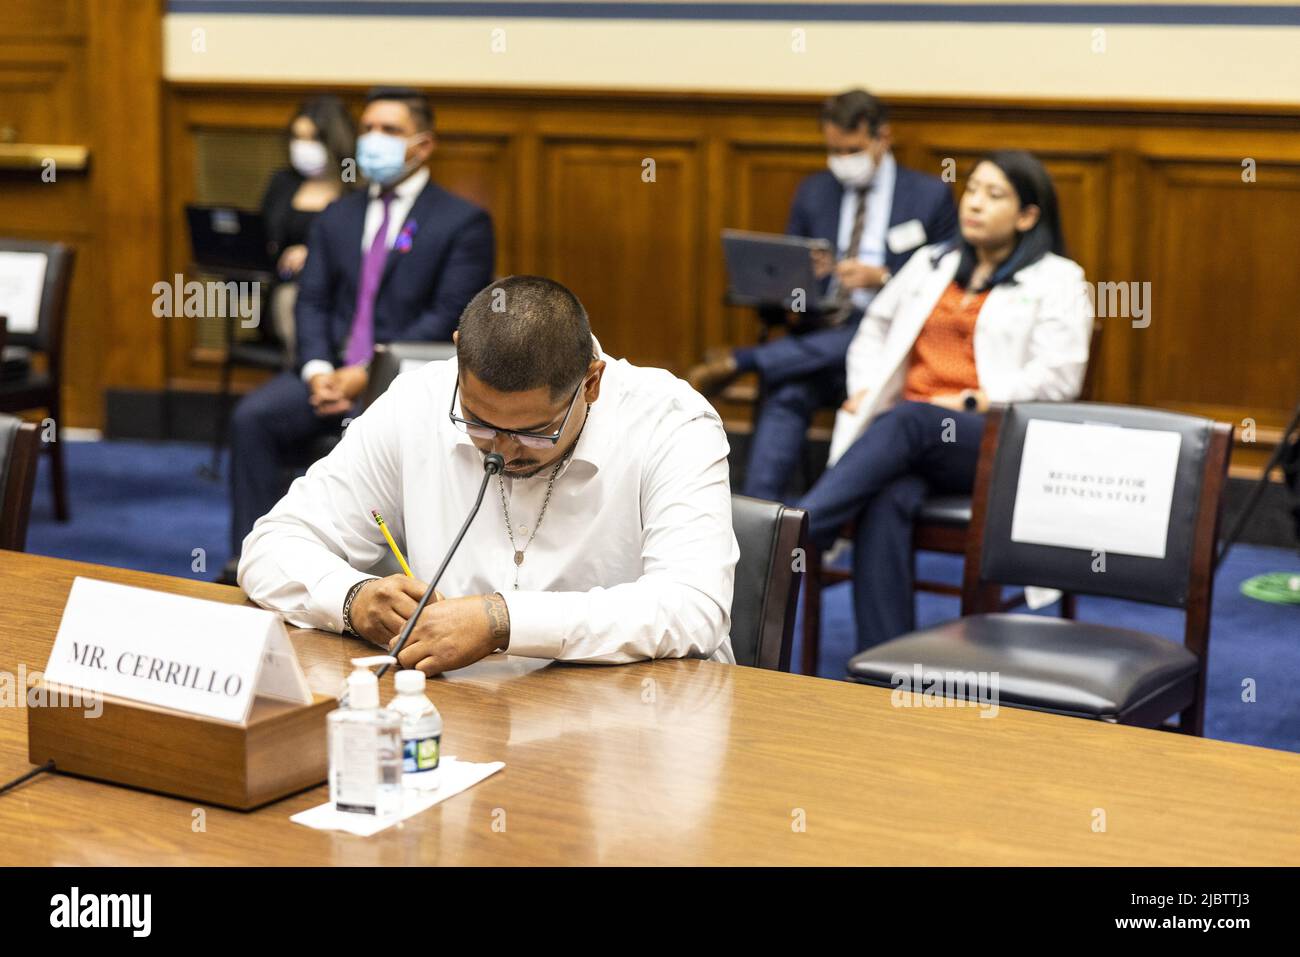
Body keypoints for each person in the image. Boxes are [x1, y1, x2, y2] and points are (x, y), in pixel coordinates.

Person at [238, 275, 738, 673]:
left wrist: (504, 622)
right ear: (458, 353)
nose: (500, 449)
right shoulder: (419, 400)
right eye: (477, 421)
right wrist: (352, 599)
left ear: (591, 381)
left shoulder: (672, 421)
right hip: (463, 716)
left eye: (533, 431)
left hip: (635, 722)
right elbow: (272, 545)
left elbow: (693, 607)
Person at [798, 150, 1093, 652]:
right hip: (911, 442)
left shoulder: (1059, 278)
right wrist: (864, 387)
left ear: (1028, 216)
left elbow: (1060, 377)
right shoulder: (930, 263)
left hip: (993, 438)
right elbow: (874, 329)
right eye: (972, 189)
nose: (974, 203)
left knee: (910, 420)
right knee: (885, 499)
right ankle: (885, 661)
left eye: (994, 195)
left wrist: (979, 400)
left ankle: (796, 531)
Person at [223, 87, 495, 582]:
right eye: (367, 127)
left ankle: (355, 580)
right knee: (251, 419)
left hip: (404, 381)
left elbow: (449, 316)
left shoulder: (462, 222)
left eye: (389, 130)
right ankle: (254, 562)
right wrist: (319, 370)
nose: (373, 139)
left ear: (424, 145)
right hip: (326, 374)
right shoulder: (338, 215)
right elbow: (314, 301)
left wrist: (366, 375)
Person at [687, 89, 958, 503]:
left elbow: (948, 280)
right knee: (787, 393)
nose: (842, 161)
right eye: (833, 150)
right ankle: (759, 521)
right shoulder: (815, 192)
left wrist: (882, 277)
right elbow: (789, 288)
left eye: (852, 150)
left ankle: (744, 361)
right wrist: (804, 282)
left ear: (882, 138)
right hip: (821, 331)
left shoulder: (927, 196)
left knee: (843, 341)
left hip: (890, 342)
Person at [259, 95, 358, 355]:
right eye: (296, 137)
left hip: (341, 293)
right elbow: (264, 237)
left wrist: (313, 253)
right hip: (286, 287)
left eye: (312, 138)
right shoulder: (283, 182)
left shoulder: (353, 185)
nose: (302, 147)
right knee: (290, 301)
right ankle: (310, 373)